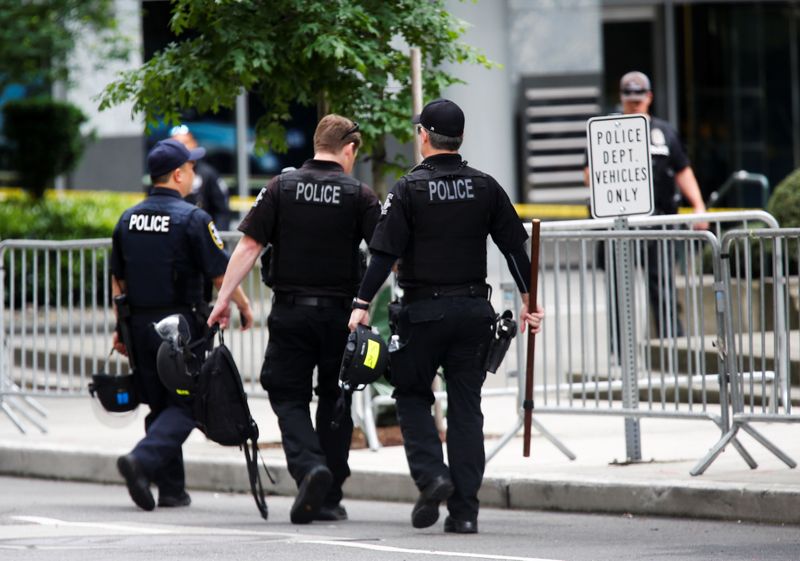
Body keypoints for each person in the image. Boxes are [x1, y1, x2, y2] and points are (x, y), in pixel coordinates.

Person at [347, 99, 544, 534]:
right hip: (474, 311)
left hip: (423, 313)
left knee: (413, 394)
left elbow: (383, 255)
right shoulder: (485, 186)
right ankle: (465, 511)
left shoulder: (408, 189)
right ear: (459, 138)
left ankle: (433, 476)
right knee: (466, 408)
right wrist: (529, 299)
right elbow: (516, 249)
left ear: (424, 136)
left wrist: (361, 306)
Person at [207, 114, 380, 524]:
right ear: (349, 148)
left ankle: (309, 468)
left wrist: (223, 299)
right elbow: (384, 257)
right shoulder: (360, 195)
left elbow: (249, 247)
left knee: (287, 395)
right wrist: (366, 302)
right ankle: (330, 494)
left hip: (291, 313)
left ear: (317, 144)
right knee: (337, 400)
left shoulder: (280, 187)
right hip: (343, 317)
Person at [111, 138, 254, 511]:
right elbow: (222, 276)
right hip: (180, 328)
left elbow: (118, 282)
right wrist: (244, 306)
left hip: (138, 325)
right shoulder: (193, 218)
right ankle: (141, 461)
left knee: (160, 404)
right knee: (191, 402)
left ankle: (171, 490)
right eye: (190, 168)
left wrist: (119, 328)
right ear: (178, 174)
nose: (194, 174)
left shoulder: (128, 219)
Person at [584, 71, 708, 337]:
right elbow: (588, 175)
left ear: (649, 97)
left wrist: (698, 205)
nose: (634, 101)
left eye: (639, 96)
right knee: (619, 293)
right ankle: (620, 357)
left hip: (658, 223)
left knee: (663, 287)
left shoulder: (664, 132)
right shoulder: (607, 132)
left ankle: (672, 348)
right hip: (618, 226)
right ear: (621, 97)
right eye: (629, 96)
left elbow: (683, 170)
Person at [171, 124, 232, 230]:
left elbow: (222, 211)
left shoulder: (208, 174)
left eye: (185, 142)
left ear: (194, 143)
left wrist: (215, 239)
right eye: (177, 144)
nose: (183, 147)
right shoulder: (166, 175)